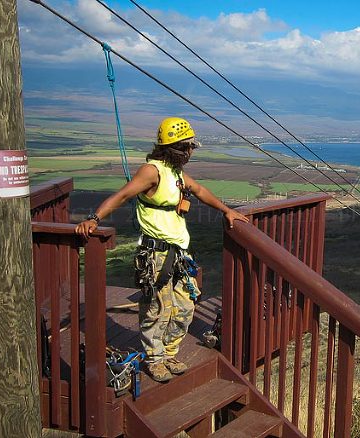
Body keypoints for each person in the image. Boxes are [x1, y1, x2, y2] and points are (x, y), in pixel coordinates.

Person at [75, 117, 249, 382]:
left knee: (184, 307)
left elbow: (199, 190)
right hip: (156, 254)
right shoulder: (152, 171)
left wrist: (227, 211)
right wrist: (94, 218)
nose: (191, 152)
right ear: (177, 148)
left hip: (179, 253)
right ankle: (154, 359)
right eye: (189, 147)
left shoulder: (174, 173)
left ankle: (168, 353)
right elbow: (123, 195)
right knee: (157, 309)